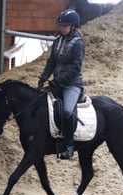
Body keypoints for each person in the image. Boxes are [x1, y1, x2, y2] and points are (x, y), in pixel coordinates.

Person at [38, 9, 85, 160]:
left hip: (71, 84)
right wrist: (43, 77)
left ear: (73, 26)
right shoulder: (58, 41)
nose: (62, 28)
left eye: (65, 26)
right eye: (61, 25)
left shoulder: (78, 43)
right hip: (57, 83)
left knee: (66, 112)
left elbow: (75, 67)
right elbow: (52, 61)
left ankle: (69, 145)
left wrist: (58, 81)